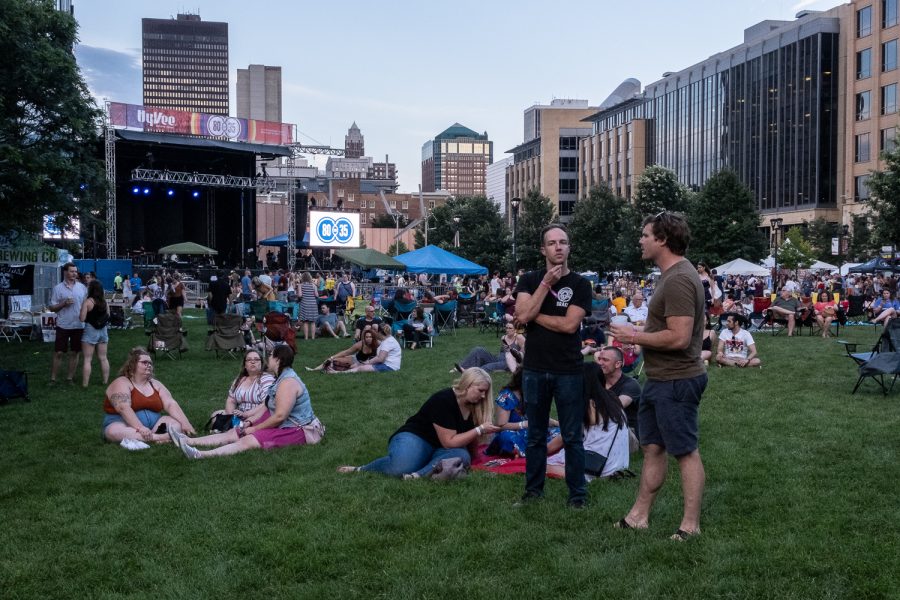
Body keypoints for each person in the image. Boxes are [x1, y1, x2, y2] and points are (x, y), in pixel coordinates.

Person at [609, 211, 707, 541]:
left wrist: (633, 337)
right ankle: (639, 516)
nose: (641, 239)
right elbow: (670, 327)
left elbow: (680, 337)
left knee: (685, 451)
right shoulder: (671, 274)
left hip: (677, 379)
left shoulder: (679, 278)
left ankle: (690, 525)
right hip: (659, 378)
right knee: (652, 448)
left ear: (662, 239)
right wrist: (641, 328)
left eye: (645, 235)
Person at [514, 224, 592, 508]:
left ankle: (577, 496)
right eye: (552, 243)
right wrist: (546, 284)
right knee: (535, 436)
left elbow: (570, 325)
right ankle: (533, 492)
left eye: (563, 242)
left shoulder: (581, 284)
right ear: (543, 249)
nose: (558, 247)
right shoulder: (530, 279)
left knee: (572, 436)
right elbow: (520, 314)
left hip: (568, 369)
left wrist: (533, 316)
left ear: (569, 247)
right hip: (534, 368)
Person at [337, 368, 500, 478]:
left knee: (462, 456)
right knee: (400, 467)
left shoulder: (476, 406)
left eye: (486, 392)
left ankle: (416, 477)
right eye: (480, 391)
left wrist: (474, 458)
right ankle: (361, 469)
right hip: (416, 437)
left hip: (440, 448)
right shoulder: (443, 400)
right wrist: (479, 430)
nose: (484, 396)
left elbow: (467, 442)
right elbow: (449, 442)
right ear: (467, 385)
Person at [170, 345, 321, 458]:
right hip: (284, 423)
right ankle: (188, 441)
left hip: (296, 429)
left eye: (270, 355)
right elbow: (267, 407)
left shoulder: (287, 382)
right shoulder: (280, 378)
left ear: (278, 359)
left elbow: (280, 416)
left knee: (248, 440)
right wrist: (249, 422)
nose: (267, 359)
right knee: (235, 432)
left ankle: (200, 455)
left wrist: (254, 429)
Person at [546, 362, 629, 480]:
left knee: (543, 466)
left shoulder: (589, 404)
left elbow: (567, 435)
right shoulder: (611, 398)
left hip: (597, 466)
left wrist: (540, 451)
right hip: (617, 464)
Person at [102, 347, 196, 444]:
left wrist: (186, 423)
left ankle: (153, 437)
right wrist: (140, 427)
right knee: (113, 431)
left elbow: (170, 404)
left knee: (177, 424)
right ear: (132, 365)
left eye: (150, 363)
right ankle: (161, 438)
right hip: (124, 424)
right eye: (144, 362)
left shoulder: (155, 384)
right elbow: (123, 408)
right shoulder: (121, 382)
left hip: (155, 425)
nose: (149, 365)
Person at [489, 368, 560, 457]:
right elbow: (501, 426)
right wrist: (524, 424)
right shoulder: (506, 396)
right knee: (506, 437)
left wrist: (557, 423)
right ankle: (534, 451)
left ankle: (533, 451)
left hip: (531, 434)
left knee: (560, 433)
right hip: (513, 434)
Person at [595, 346, 642, 452]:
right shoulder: (597, 382)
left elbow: (615, 407)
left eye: (605, 360)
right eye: (599, 359)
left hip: (628, 432)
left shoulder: (631, 385)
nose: (600, 363)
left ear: (618, 364)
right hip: (602, 426)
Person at [49, 262, 87, 385]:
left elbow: (86, 305)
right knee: (59, 352)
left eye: (75, 271)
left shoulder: (82, 287)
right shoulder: (58, 288)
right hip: (63, 324)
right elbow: (52, 308)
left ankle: (70, 378)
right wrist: (63, 304)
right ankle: (53, 379)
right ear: (65, 272)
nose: (74, 274)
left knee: (75, 352)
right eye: (71, 271)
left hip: (78, 325)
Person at [217, 350, 275, 418]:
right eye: (249, 360)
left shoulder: (266, 379)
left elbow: (266, 403)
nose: (253, 362)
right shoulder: (240, 379)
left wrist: (246, 414)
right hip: (238, 414)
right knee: (216, 414)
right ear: (245, 365)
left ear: (262, 364)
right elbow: (231, 400)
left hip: (258, 416)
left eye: (256, 359)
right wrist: (231, 417)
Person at [453, 322, 524, 373]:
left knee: (488, 366)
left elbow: (524, 354)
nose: (507, 330)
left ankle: (470, 372)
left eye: (510, 328)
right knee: (478, 350)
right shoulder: (503, 337)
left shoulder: (519, 338)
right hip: (499, 359)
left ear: (515, 330)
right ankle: (462, 367)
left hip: (509, 362)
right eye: (506, 327)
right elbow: (502, 352)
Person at [79, 279, 110, 388]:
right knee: (103, 357)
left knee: (88, 359)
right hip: (103, 330)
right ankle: (105, 381)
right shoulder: (105, 302)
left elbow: (82, 318)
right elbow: (108, 315)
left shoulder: (88, 302)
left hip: (90, 330)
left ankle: (85, 384)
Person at [309, 326, 378, 372]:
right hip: (355, 359)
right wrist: (332, 357)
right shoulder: (360, 344)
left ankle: (333, 369)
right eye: (367, 337)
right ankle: (314, 370)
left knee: (351, 367)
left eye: (370, 337)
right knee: (332, 360)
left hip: (366, 363)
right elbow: (346, 352)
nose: (368, 339)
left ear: (374, 337)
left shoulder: (378, 344)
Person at [298, 272, 318, 340]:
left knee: (305, 322)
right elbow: (316, 295)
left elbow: (300, 295)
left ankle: (306, 338)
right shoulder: (313, 285)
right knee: (313, 322)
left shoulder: (300, 285)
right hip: (313, 304)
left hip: (304, 304)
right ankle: (313, 337)